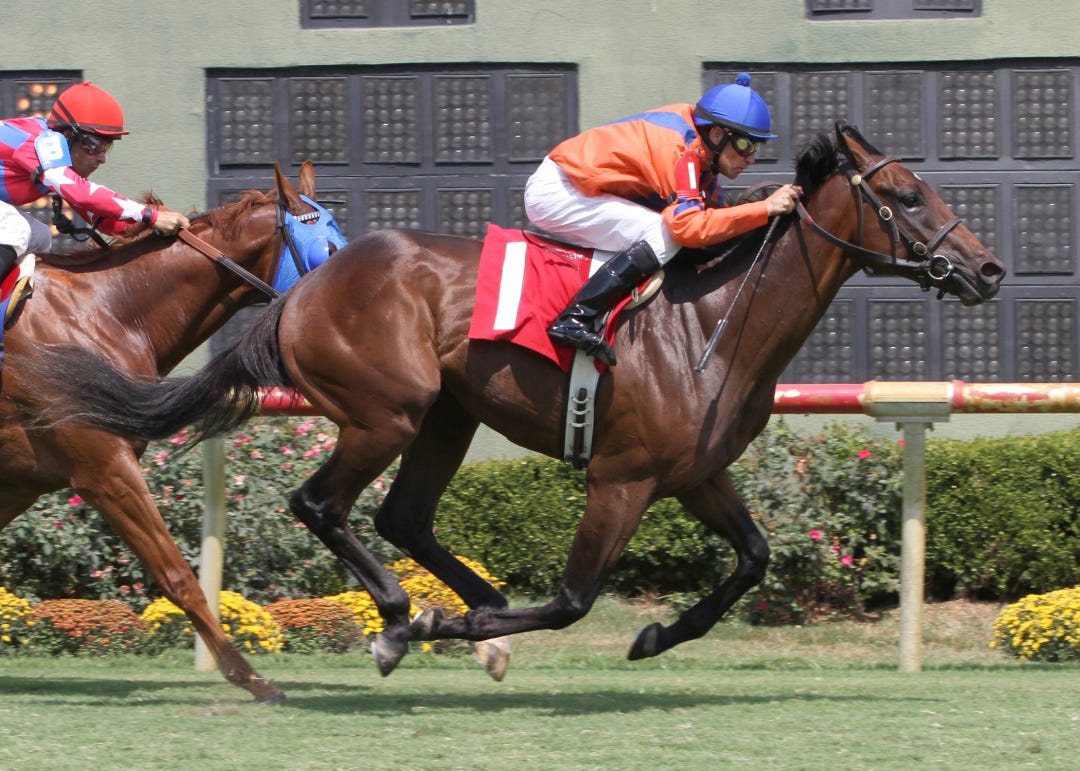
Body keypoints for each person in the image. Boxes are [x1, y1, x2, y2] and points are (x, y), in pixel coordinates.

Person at [524, 72, 803, 366]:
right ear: (717, 135)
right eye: (746, 145)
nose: (751, 158)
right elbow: (687, 228)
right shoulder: (682, 153)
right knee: (666, 235)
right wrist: (764, 208)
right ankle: (576, 318)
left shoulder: (699, 148)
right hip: (558, 192)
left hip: (578, 187)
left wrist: (762, 215)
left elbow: (717, 220)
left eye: (757, 147)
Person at [0, 81, 190, 279]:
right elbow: (82, 194)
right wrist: (149, 215)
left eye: (106, 147)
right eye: (94, 145)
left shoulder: (55, 161)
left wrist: (147, 224)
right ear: (67, 135)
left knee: (40, 236)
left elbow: (102, 218)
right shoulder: (43, 142)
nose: (102, 158)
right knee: (14, 227)